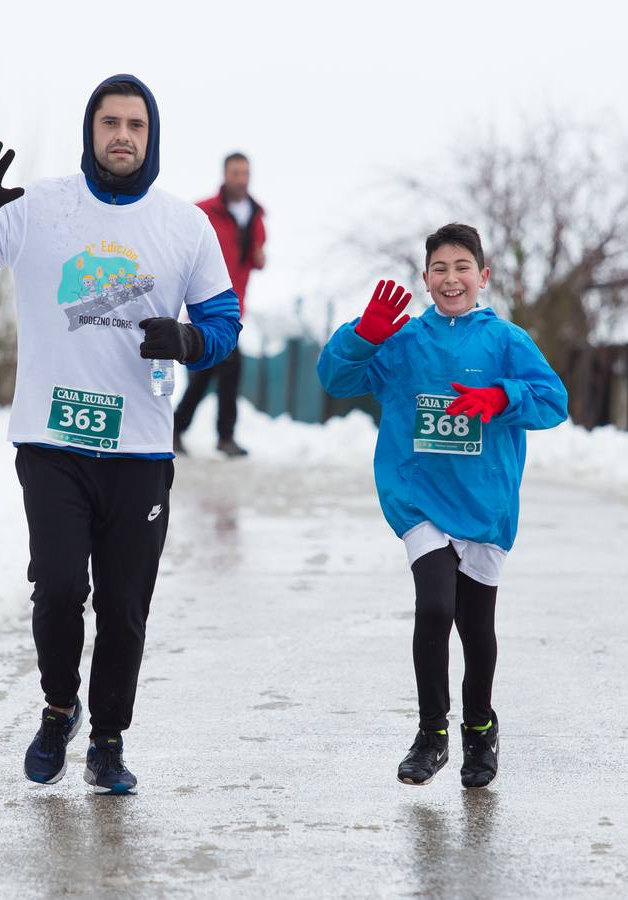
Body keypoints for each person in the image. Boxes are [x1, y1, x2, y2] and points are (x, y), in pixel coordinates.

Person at [0, 75, 241, 794]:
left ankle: (106, 740)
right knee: (60, 587)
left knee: (124, 604)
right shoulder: (39, 206)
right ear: (90, 130)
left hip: (139, 447)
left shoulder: (184, 225)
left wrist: (192, 341)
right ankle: (57, 707)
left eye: (135, 123)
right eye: (109, 122)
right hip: (51, 437)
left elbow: (225, 324)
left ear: (150, 134)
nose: (122, 135)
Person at [316, 224, 567, 789]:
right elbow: (336, 378)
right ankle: (432, 732)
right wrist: (363, 335)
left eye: (461, 267)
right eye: (439, 269)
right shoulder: (404, 341)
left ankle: (479, 726)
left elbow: (555, 401)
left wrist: (502, 396)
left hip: (484, 504)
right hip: (419, 498)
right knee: (434, 608)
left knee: (477, 628)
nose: (450, 278)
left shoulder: (505, 340)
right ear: (425, 279)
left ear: (483, 276)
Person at [173, 152, 265, 457]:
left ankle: (178, 428)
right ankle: (222, 435)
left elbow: (255, 255)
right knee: (228, 365)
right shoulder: (204, 211)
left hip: (234, 306)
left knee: (211, 372)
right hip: (204, 304)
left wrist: (259, 258)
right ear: (225, 175)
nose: (241, 179)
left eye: (246, 173)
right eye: (236, 173)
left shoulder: (255, 214)